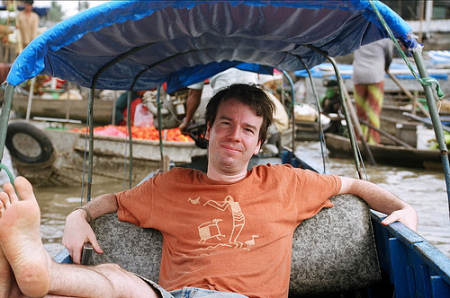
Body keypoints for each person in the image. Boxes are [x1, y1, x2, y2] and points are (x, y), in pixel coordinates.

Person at [0, 84, 417, 297]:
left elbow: (358, 185)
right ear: (208, 132)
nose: (235, 135)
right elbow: (110, 201)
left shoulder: (287, 181)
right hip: (170, 296)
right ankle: (37, 274)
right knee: (116, 279)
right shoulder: (169, 184)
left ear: (258, 144)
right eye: (225, 124)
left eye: (248, 130)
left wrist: (404, 209)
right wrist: (77, 217)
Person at [179, 68, 289, 141]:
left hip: (228, 104)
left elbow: (194, 95)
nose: (235, 136)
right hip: (251, 104)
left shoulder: (204, 55)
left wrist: (187, 121)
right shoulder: (248, 50)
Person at [352, 38, 394, 144]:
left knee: (360, 112)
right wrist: (386, 67)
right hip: (375, 75)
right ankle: (373, 142)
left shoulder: (358, 33)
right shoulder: (384, 36)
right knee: (374, 111)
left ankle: (358, 140)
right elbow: (389, 56)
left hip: (358, 74)